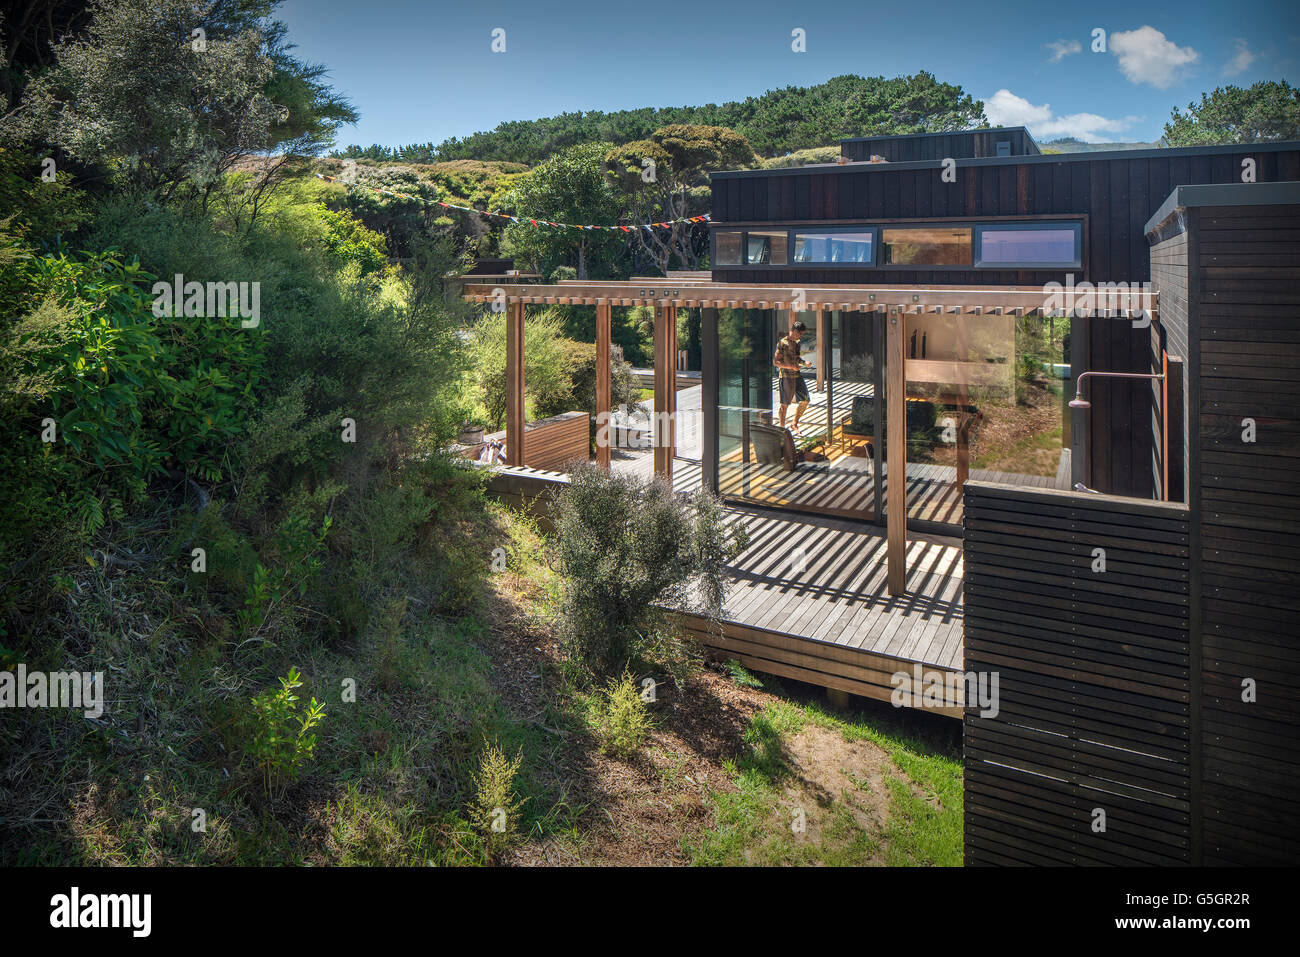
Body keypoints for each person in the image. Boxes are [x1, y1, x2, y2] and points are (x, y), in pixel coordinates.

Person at [774, 320, 811, 434]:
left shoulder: (797, 343)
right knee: (784, 404)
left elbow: (797, 358)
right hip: (785, 377)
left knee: (805, 400)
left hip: (797, 376)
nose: (801, 336)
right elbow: (776, 362)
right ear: (794, 331)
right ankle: (782, 429)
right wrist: (791, 367)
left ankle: (794, 423)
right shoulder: (782, 343)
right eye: (800, 334)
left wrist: (805, 363)